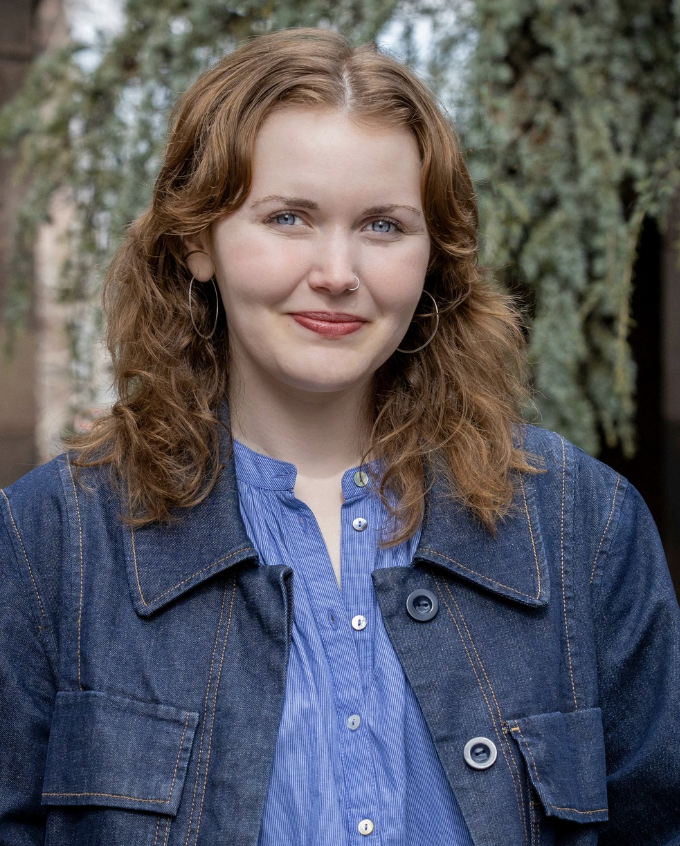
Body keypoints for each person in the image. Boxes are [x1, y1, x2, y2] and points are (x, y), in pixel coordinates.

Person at [1, 27, 678, 846]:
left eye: (384, 226)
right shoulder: (49, 546)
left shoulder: (583, 525)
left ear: (434, 254)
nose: (336, 272)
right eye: (289, 217)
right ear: (195, 241)